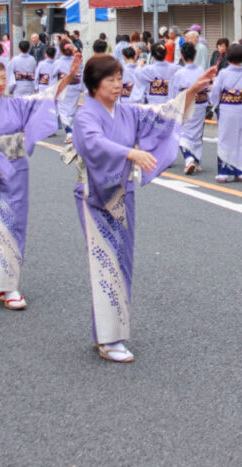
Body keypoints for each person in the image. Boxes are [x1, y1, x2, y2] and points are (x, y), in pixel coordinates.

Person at [70, 55, 216, 362]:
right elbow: (94, 144)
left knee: (122, 260)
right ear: (95, 85)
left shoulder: (128, 111)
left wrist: (191, 92)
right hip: (96, 196)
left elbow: (162, 113)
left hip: (123, 193)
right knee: (104, 261)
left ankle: (112, 332)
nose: (117, 85)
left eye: (119, 78)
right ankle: (109, 339)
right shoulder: (86, 116)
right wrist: (131, 153)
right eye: (110, 80)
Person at [0, 61, 73, 311]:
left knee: (17, 223)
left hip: (18, 170)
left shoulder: (16, 103)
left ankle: (8, 281)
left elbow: (46, 95)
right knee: (1, 224)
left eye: (2, 77)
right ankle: (8, 285)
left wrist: (71, 75)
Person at [210, 43, 242, 181]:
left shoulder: (223, 73)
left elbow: (215, 91)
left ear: (228, 56)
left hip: (227, 108)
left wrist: (215, 103)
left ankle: (224, 172)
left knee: (225, 138)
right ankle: (240, 172)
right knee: (240, 139)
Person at [170, 42, 212, 174]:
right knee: (197, 133)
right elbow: (206, 87)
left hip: (185, 103)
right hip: (200, 103)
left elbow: (173, 91)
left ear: (182, 56)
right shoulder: (201, 71)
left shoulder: (179, 73)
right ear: (195, 56)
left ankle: (189, 158)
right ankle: (197, 160)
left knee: (182, 132)